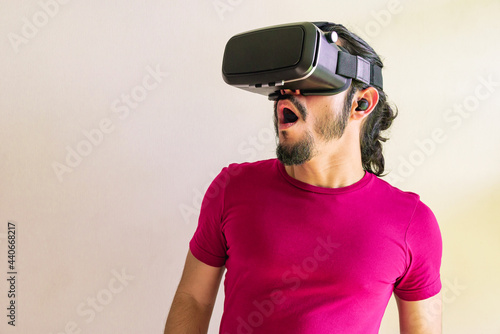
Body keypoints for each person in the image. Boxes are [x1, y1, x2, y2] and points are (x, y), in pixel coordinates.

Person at [164, 22, 442, 334]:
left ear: (361, 103)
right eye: (283, 85)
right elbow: (193, 299)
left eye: (310, 83)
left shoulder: (411, 222)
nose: (286, 96)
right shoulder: (233, 188)